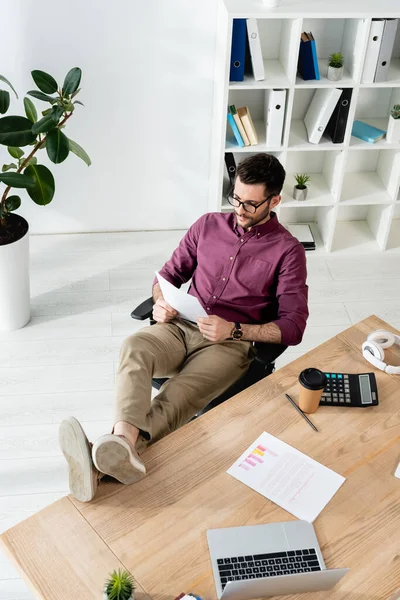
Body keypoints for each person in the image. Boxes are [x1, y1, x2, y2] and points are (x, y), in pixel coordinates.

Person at [59, 153, 309, 502]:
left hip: (229, 344)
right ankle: (117, 451)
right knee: (135, 346)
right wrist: (161, 300)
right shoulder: (207, 225)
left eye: (251, 204)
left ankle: (104, 458)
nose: (239, 208)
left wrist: (234, 330)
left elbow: (294, 326)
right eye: (235, 198)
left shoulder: (288, 251)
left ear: (275, 200)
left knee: (176, 396)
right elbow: (166, 276)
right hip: (181, 324)